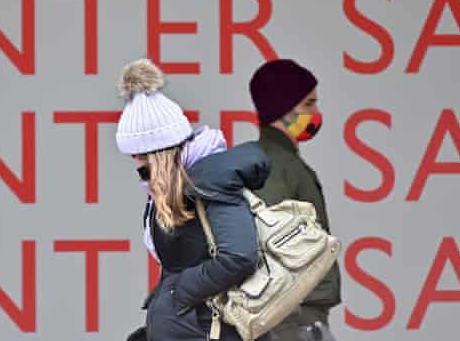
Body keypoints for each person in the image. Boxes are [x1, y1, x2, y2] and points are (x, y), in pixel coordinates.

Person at [115, 58, 273, 341]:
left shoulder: (212, 182)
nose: (137, 167)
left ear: (158, 155)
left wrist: (178, 293)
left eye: (139, 157)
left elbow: (238, 257)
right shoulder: (173, 190)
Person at [248, 59, 341, 341]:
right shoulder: (275, 165)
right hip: (292, 324)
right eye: (308, 104)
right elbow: (272, 252)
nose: (316, 113)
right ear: (284, 108)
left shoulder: (281, 161)